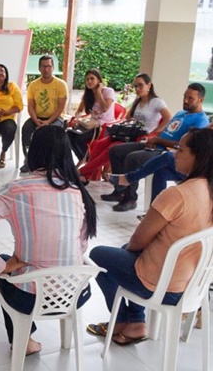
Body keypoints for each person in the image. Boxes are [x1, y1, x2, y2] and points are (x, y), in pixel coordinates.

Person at [0, 125, 97, 356]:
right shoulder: (78, 192)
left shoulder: (16, 190)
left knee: (4, 267)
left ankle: (23, 341)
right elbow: (81, 245)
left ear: (32, 152)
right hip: (75, 294)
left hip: (29, 299)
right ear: (66, 153)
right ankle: (42, 339)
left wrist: (0, 265)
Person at [88, 127, 213, 345]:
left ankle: (122, 320)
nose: (174, 154)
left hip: (165, 286)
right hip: (193, 285)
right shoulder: (207, 190)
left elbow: (139, 240)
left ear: (198, 156)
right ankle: (136, 322)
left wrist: (131, 252)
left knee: (97, 256)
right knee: (127, 251)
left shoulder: (178, 194)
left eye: (181, 150)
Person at [102, 83, 210, 212]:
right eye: (184, 96)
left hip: (167, 151)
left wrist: (159, 140)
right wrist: (153, 138)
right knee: (116, 150)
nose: (185, 101)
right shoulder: (181, 113)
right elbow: (167, 130)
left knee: (133, 158)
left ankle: (130, 198)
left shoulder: (201, 121)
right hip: (157, 144)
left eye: (190, 98)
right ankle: (120, 192)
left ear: (201, 100)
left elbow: (187, 147)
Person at [77, 73, 171, 181]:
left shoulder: (157, 102)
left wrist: (153, 134)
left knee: (113, 148)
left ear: (149, 85)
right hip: (130, 133)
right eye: (135, 86)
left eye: (140, 85)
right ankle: (88, 175)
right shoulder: (138, 101)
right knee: (99, 144)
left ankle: (82, 171)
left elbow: (168, 119)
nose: (137, 89)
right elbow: (127, 118)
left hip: (142, 137)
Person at [20, 55, 68, 173]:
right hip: (37, 117)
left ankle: (52, 162)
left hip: (55, 118)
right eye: (43, 66)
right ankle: (28, 160)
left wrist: (48, 122)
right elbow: (30, 106)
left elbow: (61, 107)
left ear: (53, 68)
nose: (46, 69)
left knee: (52, 131)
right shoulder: (33, 85)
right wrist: (36, 120)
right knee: (26, 129)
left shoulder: (61, 84)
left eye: (48, 66)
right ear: (39, 68)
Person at [66, 68, 115, 163]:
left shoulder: (108, 91)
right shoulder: (87, 95)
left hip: (104, 127)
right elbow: (79, 110)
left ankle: (89, 162)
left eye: (92, 78)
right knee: (68, 134)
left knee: (79, 139)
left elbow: (105, 108)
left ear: (99, 80)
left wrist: (98, 93)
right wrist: (77, 118)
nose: (89, 81)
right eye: (87, 79)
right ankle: (84, 159)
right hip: (91, 125)